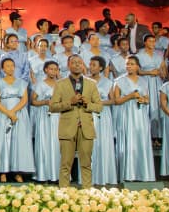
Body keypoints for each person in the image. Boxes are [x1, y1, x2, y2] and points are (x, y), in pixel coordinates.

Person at [50, 55, 102, 188]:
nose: (77, 65)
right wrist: (70, 102)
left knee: (86, 164)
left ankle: (87, 192)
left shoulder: (91, 84)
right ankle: (64, 193)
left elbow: (99, 107)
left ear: (83, 65)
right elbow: (53, 107)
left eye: (79, 62)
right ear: (68, 65)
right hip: (67, 129)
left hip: (86, 129)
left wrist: (88, 103)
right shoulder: (60, 84)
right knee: (65, 164)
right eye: (74, 62)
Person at [0, 57, 35, 183]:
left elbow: (24, 100)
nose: (10, 68)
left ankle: (17, 172)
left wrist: (13, 112)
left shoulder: (22, 82)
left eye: (12, 66)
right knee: (2, 141)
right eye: (7, 66)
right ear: (3, 69)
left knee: (18, 141)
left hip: (19, 113)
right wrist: (8, 113)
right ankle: (2, 171)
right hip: (2, 113)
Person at [111, 56, 155, 182]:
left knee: (141, 141)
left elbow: (147, 98)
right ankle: (128, 174)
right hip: (126, 113)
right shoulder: (119, 81)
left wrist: (143, 100)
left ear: (137, 66)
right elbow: (116, 101)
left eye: (132, 64)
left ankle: (143, 174)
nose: (129, 66)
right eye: (127, 64)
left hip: (140, 114)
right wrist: (130, 96)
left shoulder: (143, 81)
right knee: (128, 141)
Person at [88, 56, 117, 186]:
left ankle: (105, 176)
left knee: (104, 143)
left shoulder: (108, 82)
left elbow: (112, 100)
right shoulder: (84, 80)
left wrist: (99, 102)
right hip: (89, 114)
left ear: (100, 68)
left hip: (104, 115)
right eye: (90, 64)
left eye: (94, 65)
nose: (91, 67)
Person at [31, 60, 61, 183]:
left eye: (55, 69)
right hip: (44, 115)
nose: (53, 71)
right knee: (44, 142)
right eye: (51, 69)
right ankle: (43, 174)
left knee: (56, 143)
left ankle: (56, 174)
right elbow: (33, 101)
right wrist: (44, 102)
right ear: (45, 70)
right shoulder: (40, 84)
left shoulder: (61, 84)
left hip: (57, 116)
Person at [136, 34, 166, 140]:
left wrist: (161, 74)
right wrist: (149, 72)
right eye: (150, 41)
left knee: (158, 105)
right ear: (145, 42)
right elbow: (137, 71)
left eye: (154, 41)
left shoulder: (159, 55)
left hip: (157, 82)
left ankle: (157, 135)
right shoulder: (139, 55)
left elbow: (163, 69)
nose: (152, 43)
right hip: (145, 82)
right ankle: (146, 135)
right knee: (147, 105)